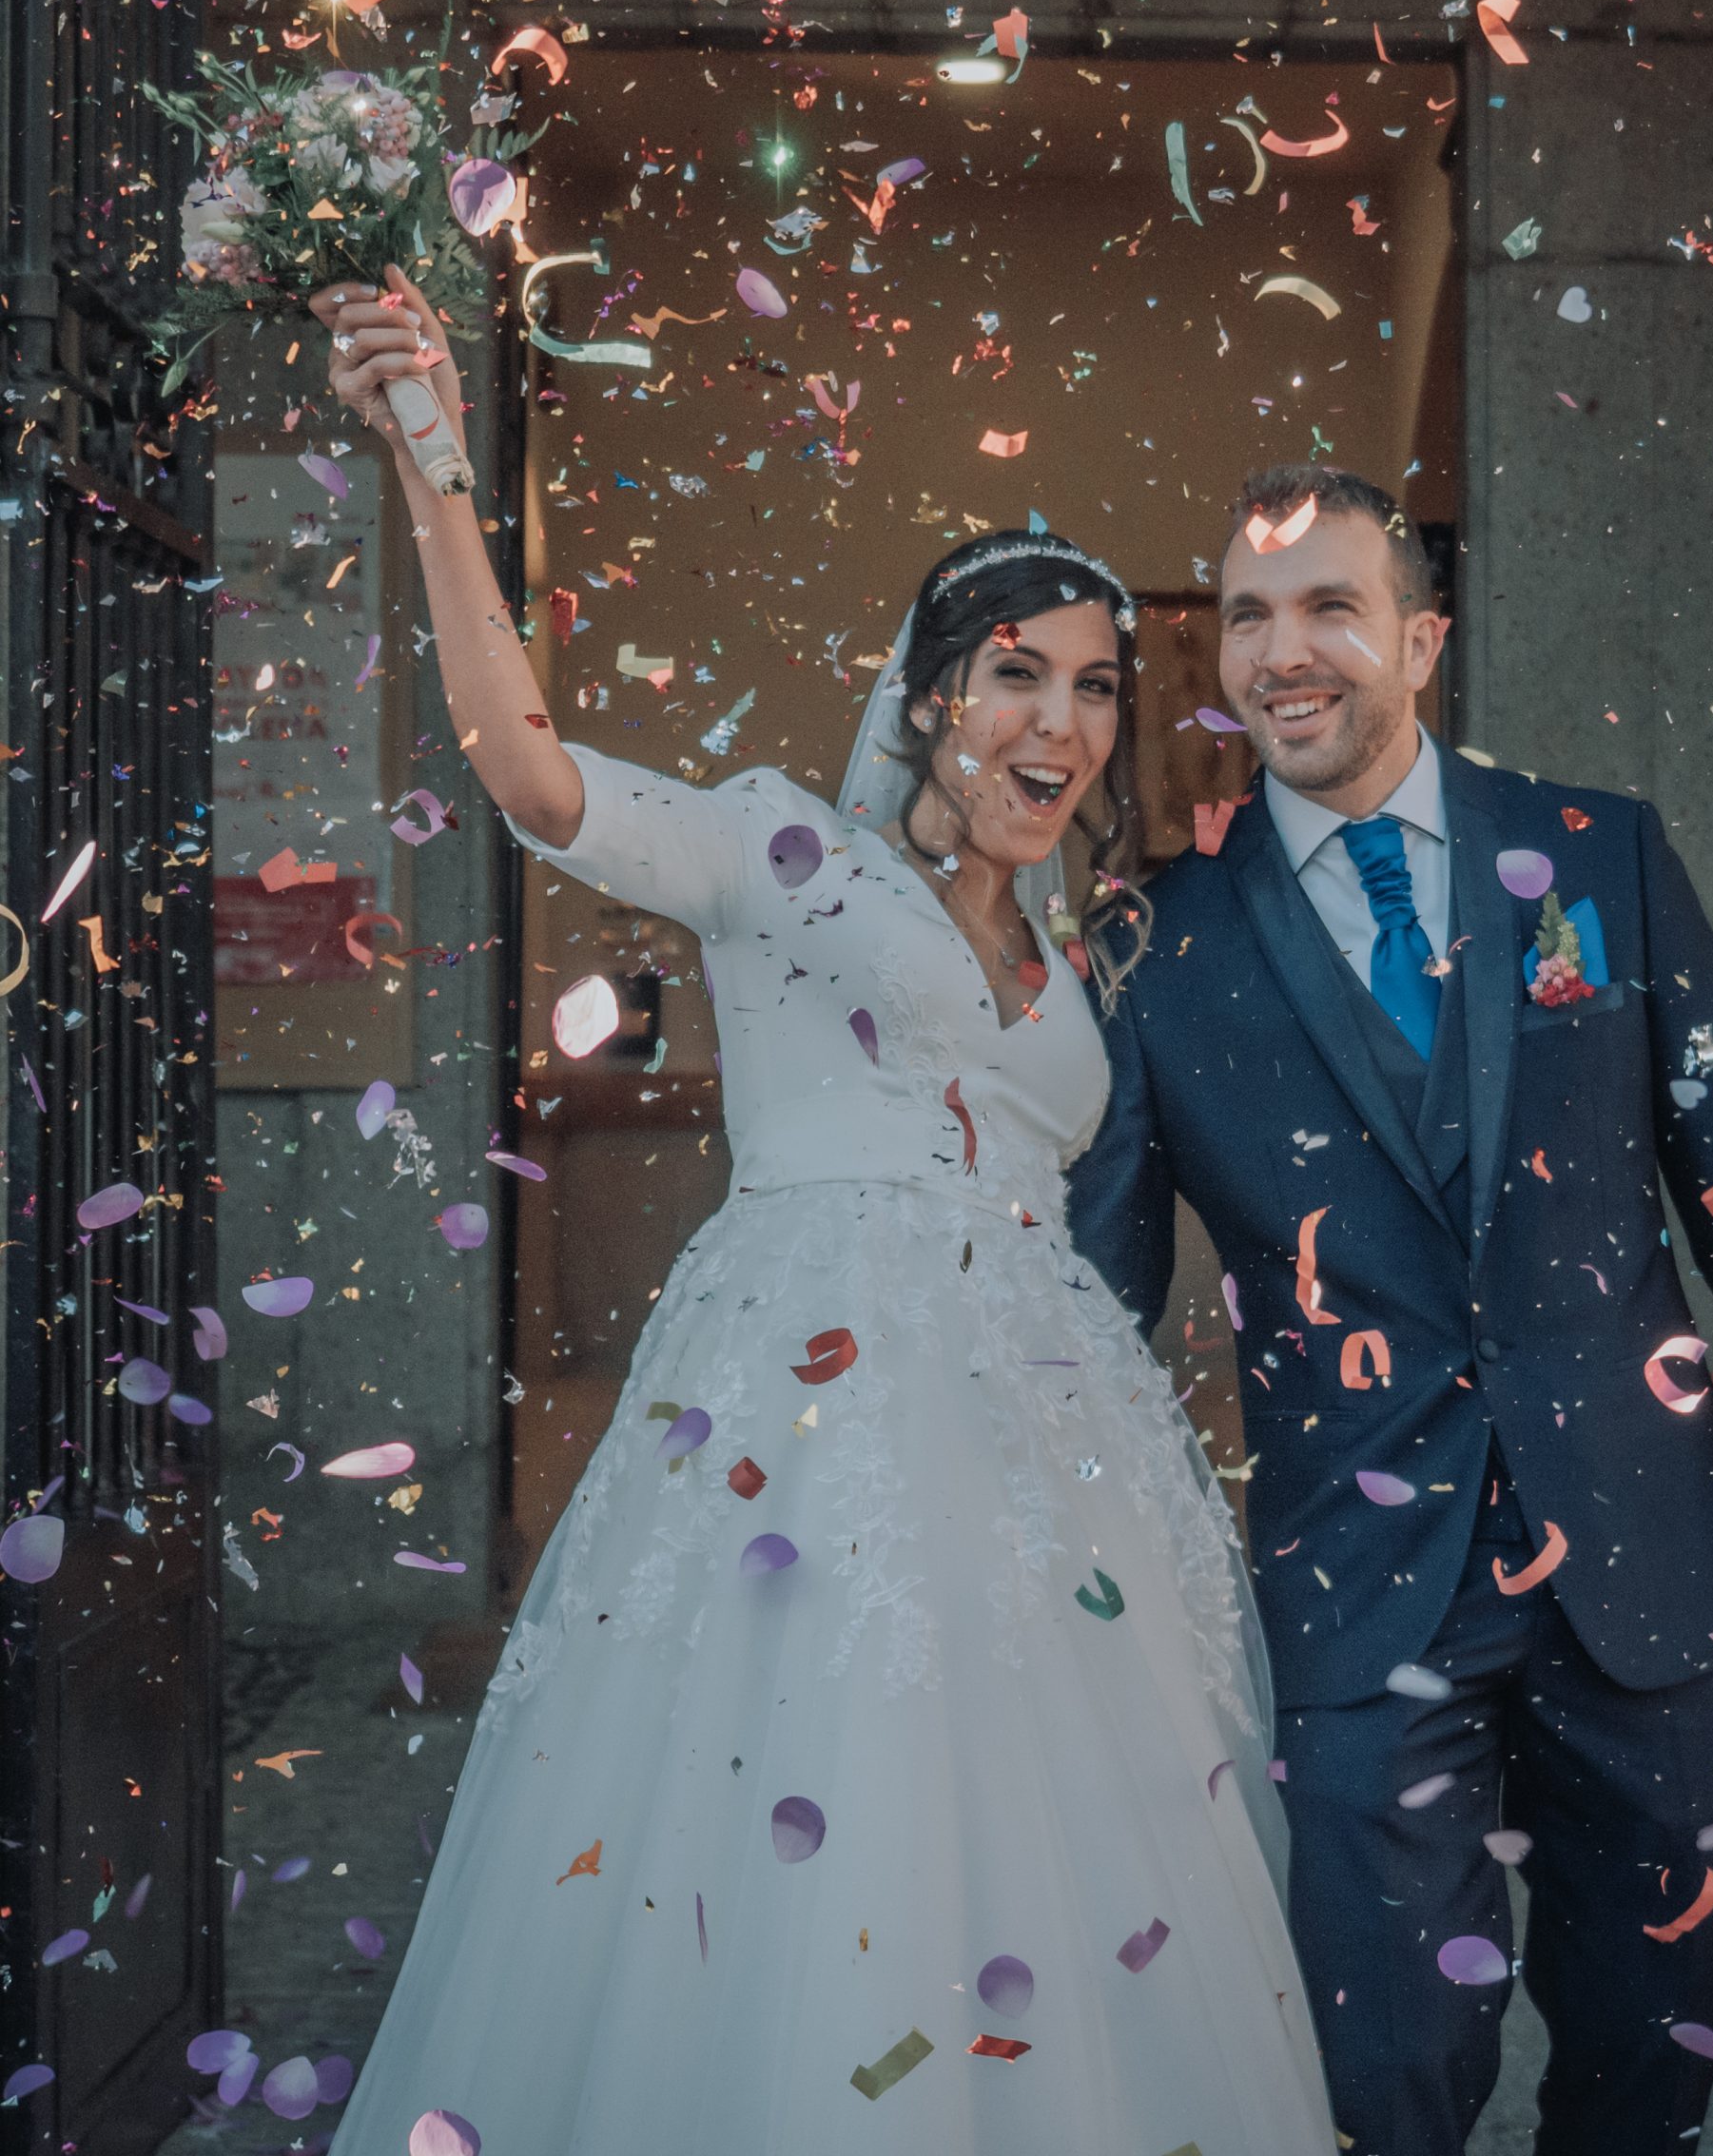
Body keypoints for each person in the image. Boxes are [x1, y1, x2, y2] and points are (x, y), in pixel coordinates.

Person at [306, 275, 1340, 2155]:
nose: (1064, 716)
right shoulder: (788, 850)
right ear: (935, 689)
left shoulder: (1070, 947)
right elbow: (533, 773)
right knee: (808, 1826)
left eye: (1098, 681)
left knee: (1058, 1863)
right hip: (808, 1431)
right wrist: (431, 461)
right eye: (1019, 670)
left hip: (1054, 1460)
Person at [1067, 461, 1713, 2156]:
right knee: (1379, 2081)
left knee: (1649, 2069)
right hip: (1356, 1599)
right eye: (1247, 617)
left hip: (1646, 1577)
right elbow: (1102, 1315)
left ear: (1421, 638)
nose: (1281, 651)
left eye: (1328, 606)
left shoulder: (1594, 854)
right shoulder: (1154, 943)